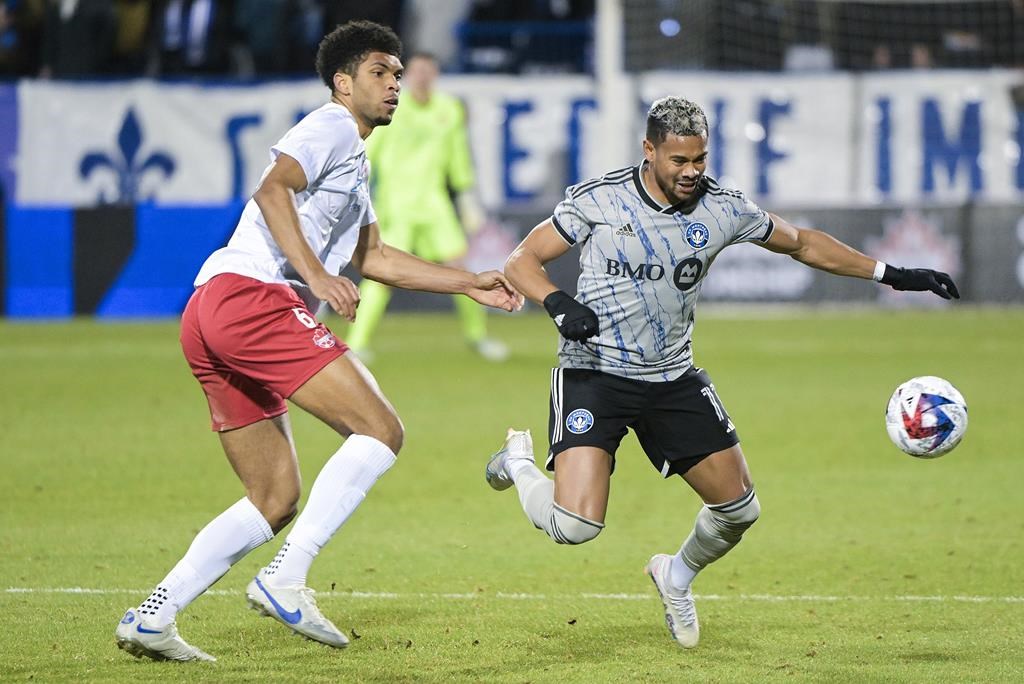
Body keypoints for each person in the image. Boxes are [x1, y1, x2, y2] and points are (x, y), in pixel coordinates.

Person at [484, 96, 959, 649]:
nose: (691, 173)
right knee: (576, 526)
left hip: (672, 377)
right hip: (595, 374)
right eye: (679, 160)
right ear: (649, 150)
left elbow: (803, 243)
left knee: (739, 510)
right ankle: (518, 463)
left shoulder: (723, 209)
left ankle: (674, 576)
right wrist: (558, 303)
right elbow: (521, 259)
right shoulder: (601, 199)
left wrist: (894, 274)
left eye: (700, 160)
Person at [115, 20, 520, 662]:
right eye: (380, 74)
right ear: (343, 82)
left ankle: (154, 614)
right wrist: (316, 276)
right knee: (381, 430)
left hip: (212, 308)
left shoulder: (356, 161)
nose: (393, 86)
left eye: (395, 73)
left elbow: (377, 258)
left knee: (274, 498)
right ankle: (286, 576)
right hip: (251, 299)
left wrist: (467, 282)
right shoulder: (329, 125)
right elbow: (272, 188)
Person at [345, 51, 509, 363]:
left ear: (434, 75)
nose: (421, 77)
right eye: (415, 71)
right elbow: (368, 153)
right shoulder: (389, 107)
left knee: (461, 269)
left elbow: (457, 155)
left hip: (435, 205)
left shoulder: (448, 109)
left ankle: (478, 337)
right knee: (380, 272)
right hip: (397, 205)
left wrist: (466, 198)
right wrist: (356, 194)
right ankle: (356, 344)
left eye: (427, 71)